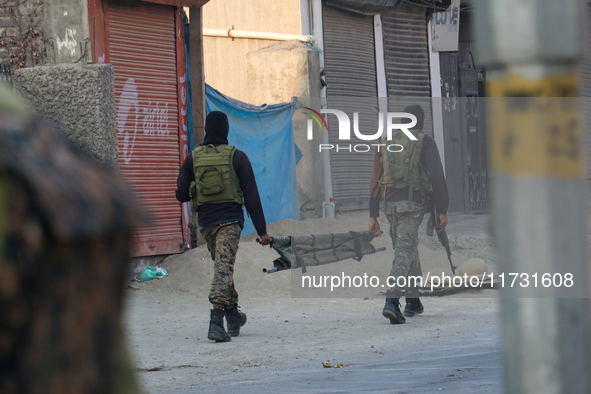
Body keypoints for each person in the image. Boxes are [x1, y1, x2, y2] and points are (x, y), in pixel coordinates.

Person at [176, 111, 270, 342]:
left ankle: (233, 315)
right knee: (223, 269)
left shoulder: (193, 158)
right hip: (229, 221)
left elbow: (180, 195)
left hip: (206, 224)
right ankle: (216, 321)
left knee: (222, 267)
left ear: (207, 130)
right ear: (226, 130)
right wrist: (262, 232)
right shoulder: (237, 157)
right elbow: (252, 197)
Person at [368, 104, 449, 324]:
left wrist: (373, 214)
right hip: (411, 205)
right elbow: (437, 178)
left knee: (407, 246)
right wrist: (443, 210)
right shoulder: (425, 141)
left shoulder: (385, 142)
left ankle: (413, 300)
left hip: (388, 205)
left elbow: (375, 179)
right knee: (404, 250)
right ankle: (392, 301)